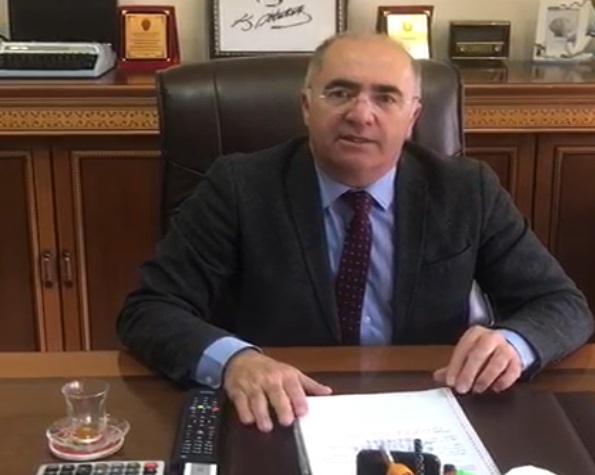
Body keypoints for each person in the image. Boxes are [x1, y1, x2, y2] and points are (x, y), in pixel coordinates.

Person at [116, 32, 593, 434]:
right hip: (281, 412)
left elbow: (562, 304)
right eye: (340, 93)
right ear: (307, 106)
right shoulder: (239, 187)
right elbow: (150, 310)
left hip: (428, 408)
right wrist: (235, 361)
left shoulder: (467, 190)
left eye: (385, 97)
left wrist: (514, 343)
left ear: (413, 117)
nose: (361, 115)